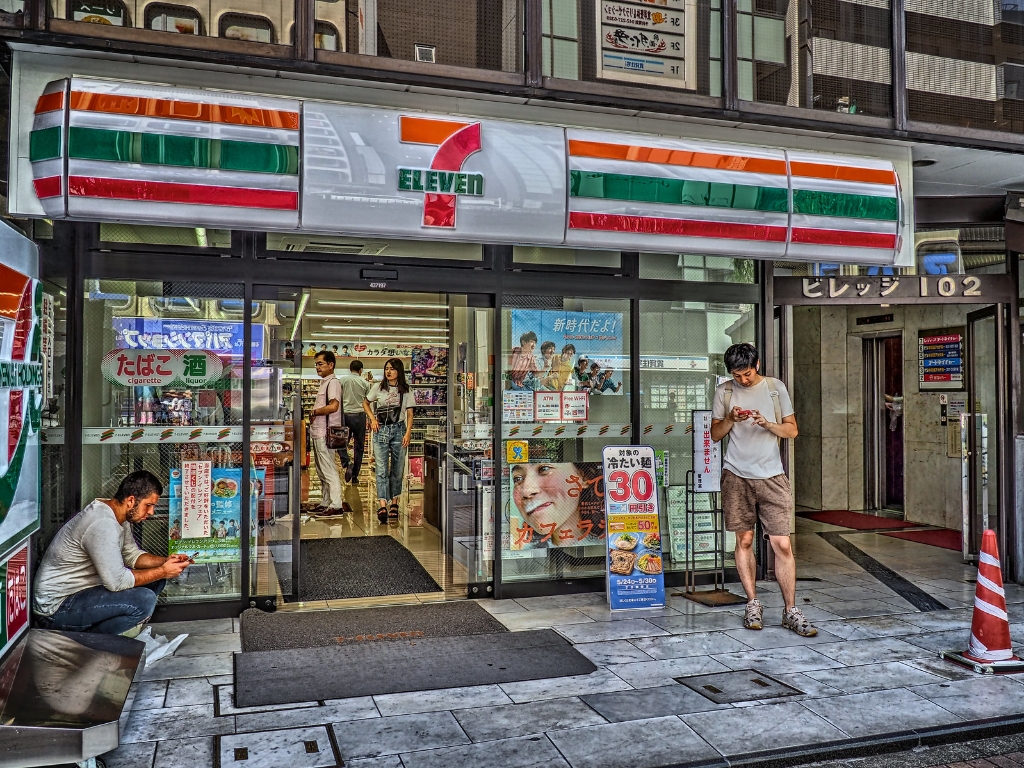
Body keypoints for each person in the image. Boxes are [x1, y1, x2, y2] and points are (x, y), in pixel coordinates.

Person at [710, 343, 815, 637]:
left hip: (772, 476)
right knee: (743, 539)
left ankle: (790, 610)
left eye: (746, 373)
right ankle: (752, 603)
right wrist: (731, 418)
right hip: (736, 475)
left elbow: (792, 431)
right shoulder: (725, 392)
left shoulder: (774, 388)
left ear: (757, 364)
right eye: (736, 374)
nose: (742, 380)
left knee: (782, 543)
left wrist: (767, 423)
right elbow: (715, 434)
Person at [32, 470, 191, 636]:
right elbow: (117, 582)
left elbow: (132, 556)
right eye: (148, 505)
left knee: (156, 581)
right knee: (144, 600)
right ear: (131, 500)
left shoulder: (117, 515)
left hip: (84, 592)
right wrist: (163, 571)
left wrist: (165, 562)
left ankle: (103, 633)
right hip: (56, 609)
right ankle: (91, 641)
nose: (151, 512)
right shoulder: (102, 524)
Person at [364, 357, 415, 524]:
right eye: (387, 368)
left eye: (392, 368)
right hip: (381, 430)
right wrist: (372, 419)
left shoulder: (406, 390)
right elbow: (366, 403)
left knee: (397, 469)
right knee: (381, 469)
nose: (389, 371)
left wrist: (408, 433)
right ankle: (382, 504)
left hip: (399, 430)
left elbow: (409, 413)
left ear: (399, 371)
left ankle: (395, 502)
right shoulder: (378, 387)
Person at [510, 462, 604, 548]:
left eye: (544, 469)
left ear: (583, 477)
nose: (526, 491)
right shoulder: (528, 554)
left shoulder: (612, 544)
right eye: (518, 478)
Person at [308, 350, 345, 516]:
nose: (317, 367)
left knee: (328, 469)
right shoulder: (324, 382)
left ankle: (336, 504)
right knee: (321, 469)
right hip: (319, 432)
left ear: (331, 365)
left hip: (326, 432)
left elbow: (333, 406)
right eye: (316, 364)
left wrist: (315, 412)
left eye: (320, 364)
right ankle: (325, 501)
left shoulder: (333, 383)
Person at [339, 359, 371, 506]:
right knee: (359, 446)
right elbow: (368, 401)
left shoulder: (342, 381)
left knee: (341, 442)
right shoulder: (365, 383)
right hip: (360, 416)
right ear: (360, 370)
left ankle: (346, 463)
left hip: (345, 415)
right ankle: (355, 476)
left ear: (350, 368)